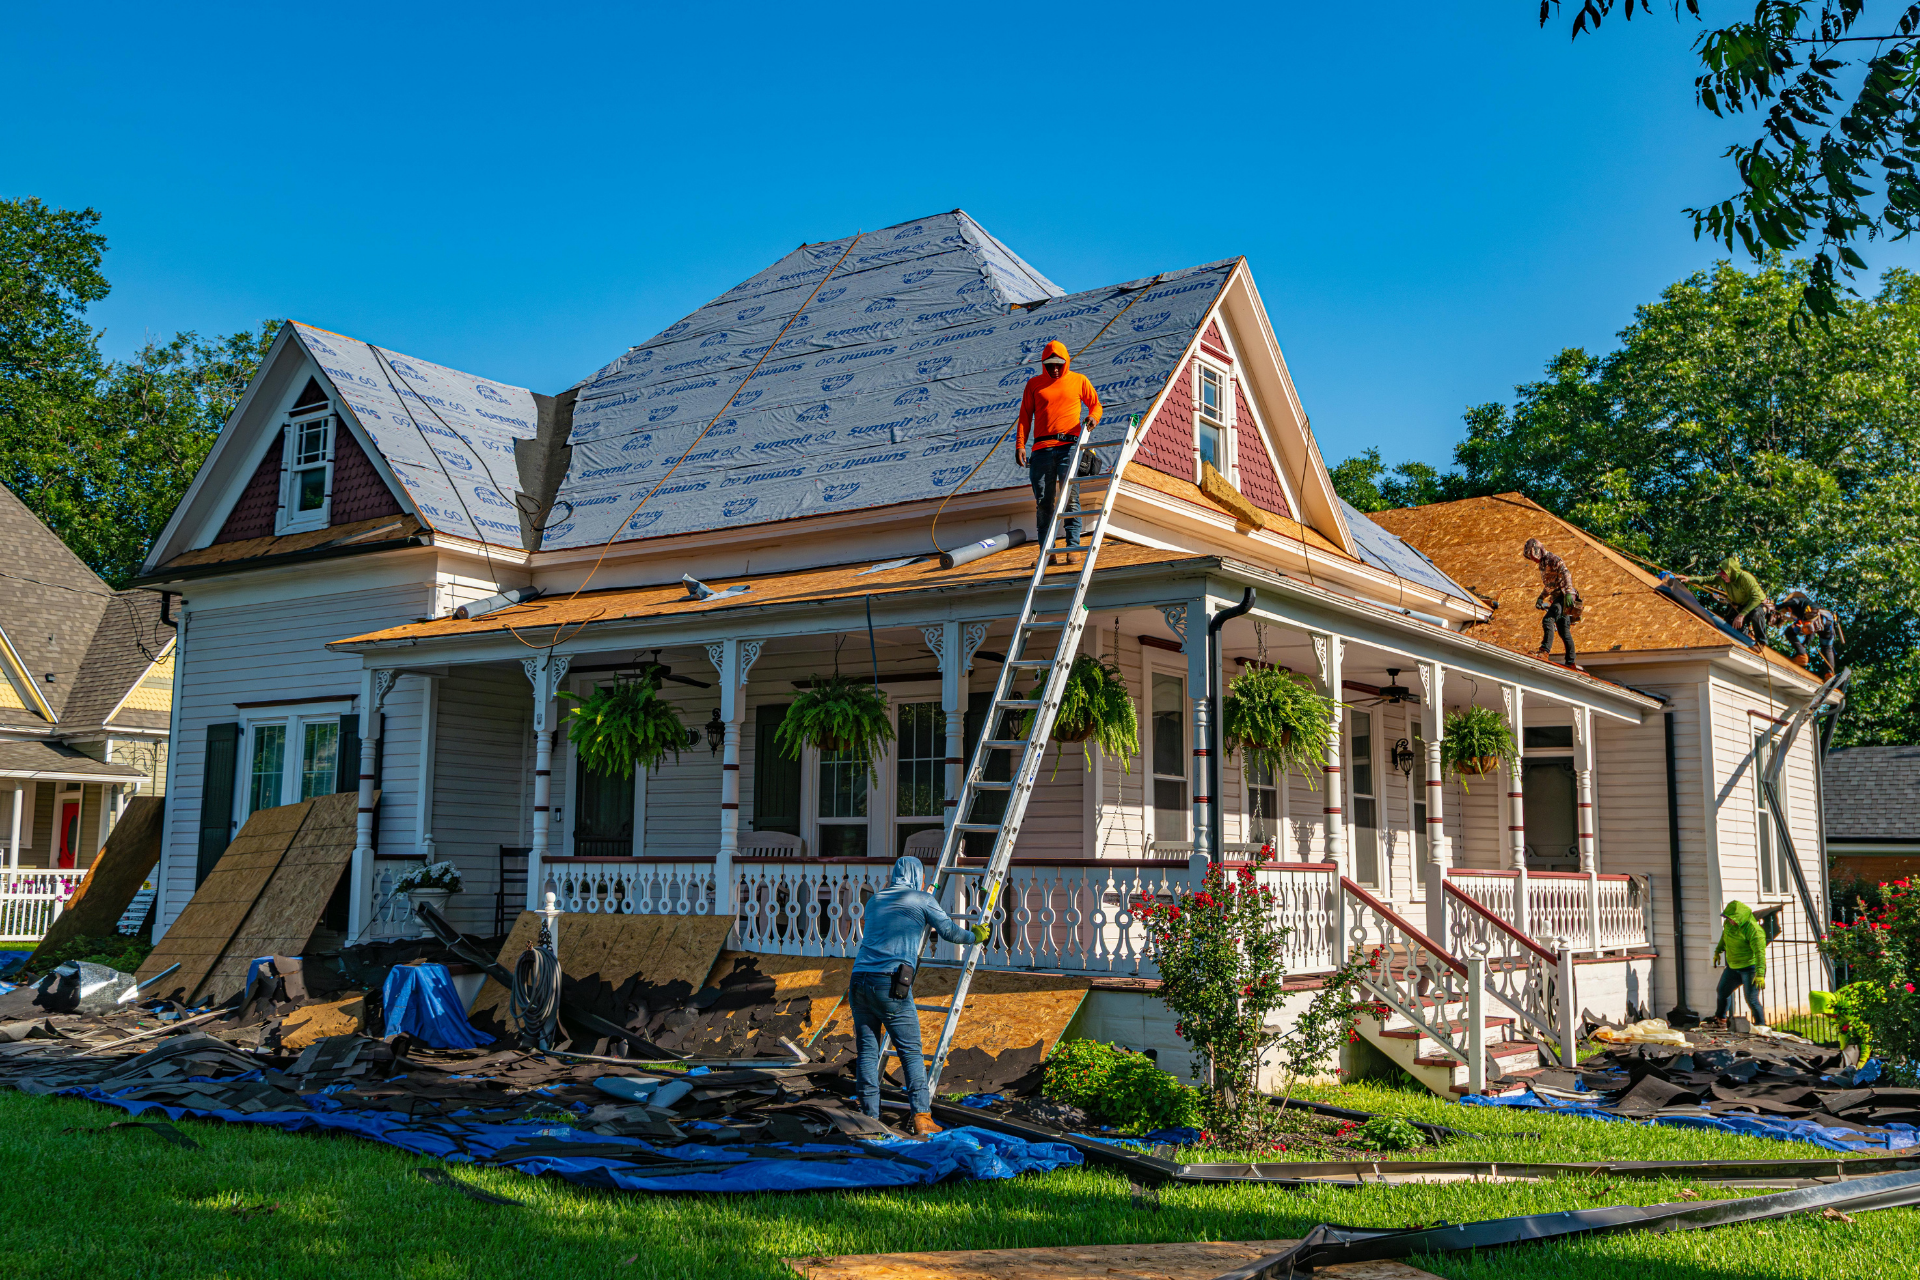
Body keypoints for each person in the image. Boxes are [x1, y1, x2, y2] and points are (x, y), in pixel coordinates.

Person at [848, 855, 989, 1135]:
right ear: (916, 876)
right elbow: (949, 931)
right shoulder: (922, 899)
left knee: (867, 1051)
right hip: (889, 983)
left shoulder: (876, 900)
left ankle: (869, 1119)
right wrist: (975, 936)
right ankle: (923, 1119)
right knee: (911, 1052)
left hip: (858, 980)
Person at [1016, 340, 1102, 567]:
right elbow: (1025, 416)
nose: (1054, 369)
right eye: (1050, 364)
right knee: (1044, 502)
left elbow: (1096, 405)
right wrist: (1020, 445)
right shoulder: (1034, 384)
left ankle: (1072, 549)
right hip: (1041, 450)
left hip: (1068, 447)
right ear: (1044, 364)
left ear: (1065, 362)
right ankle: (1047, 552)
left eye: (1058, 364)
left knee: (1070, 498)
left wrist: (1092, 419)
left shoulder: (1078, 380)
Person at [1523, 537, 1581, 667]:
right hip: (1557, 597)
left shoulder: (1553, 559)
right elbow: (1549, 585)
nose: (1532, 559)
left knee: (1548, 620)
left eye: (1532, 555)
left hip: (1564, 596)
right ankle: (1571, 662)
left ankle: (1544, 651)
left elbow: (1566, 573)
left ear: (1537, 550)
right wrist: (1540, 597)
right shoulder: (1542, 565)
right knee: (1563, 629)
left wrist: (1567, 592)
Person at [1710, 900, 1769, 1026]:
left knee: (1751, 999)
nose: (1731, 921)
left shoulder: (1754, 930)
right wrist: (1718, 951)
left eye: (1734, 918)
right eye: (1729, 918)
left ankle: (1761, 1026)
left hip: (1750, 968)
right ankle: (1721, 1019)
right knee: (1722, 992)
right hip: (1733, 967)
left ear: (1741, 917)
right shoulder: (1729, 924)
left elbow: (1760, 953)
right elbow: (1724, 937)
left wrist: (1759, 974)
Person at [1772, 590, 1844, 674]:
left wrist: (1776, 607)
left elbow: (1792, 602)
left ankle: (1802, 656)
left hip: (1814, 616)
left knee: (1789, 631)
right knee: (1827, 648)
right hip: (1828, 622)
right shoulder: (1803, 611)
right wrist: (1804, 646)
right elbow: (1811, 634)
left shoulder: (1796, 600)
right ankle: (1829, 673)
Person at [1716, 555, 1770, 648]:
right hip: (1741, 606)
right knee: (1732, 624)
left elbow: (1756, 599)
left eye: (1724, 574)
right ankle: (1742, 639)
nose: (1722, 576)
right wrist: (1689, 579)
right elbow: (1706, 579)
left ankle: (1761, 642)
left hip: (1755, 604)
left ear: (1730, 572)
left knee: (1756, 613)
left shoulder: (1746, 578)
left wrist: (1741, 615)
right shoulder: (1725, 580)